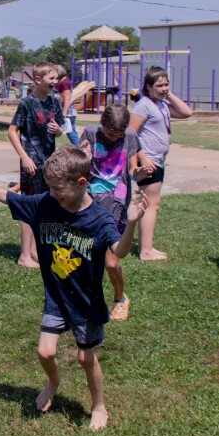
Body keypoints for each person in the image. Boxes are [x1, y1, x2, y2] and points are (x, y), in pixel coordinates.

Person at [0, 148, 147, 432]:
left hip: (86, 302)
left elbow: (121, 251)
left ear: (80, 183)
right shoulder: (45, 204)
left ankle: (99, 405)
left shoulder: (99, 219)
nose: (52, 193)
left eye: (57, 188)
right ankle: (53, 381)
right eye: (49, 188)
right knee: (44, 351)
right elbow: (10, 197)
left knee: (85, 358)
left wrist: (132, 224)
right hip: (56, 295)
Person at [78, 104, 151, 321]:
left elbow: (131, 170)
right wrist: (85, 155)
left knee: (111, 261)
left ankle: (120, 299)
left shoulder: (129, 136)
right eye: (110, 133)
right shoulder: (90, 133)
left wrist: (137, 172)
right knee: (86, 257)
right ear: (102, 125)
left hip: (117, 205)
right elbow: (79, 167)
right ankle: (85, 299)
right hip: (89, 203)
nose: (114, 138)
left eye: (118, 134)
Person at [127, 66, 193, 260]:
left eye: (166, 84)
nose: (164, 88)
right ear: (148, 86)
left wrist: (168, 94)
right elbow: (130, 134)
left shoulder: (162, 104)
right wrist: (143, 158)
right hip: (148, 161)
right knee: (150, 204)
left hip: (157, 161)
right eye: (159, 85)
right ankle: (146, 250)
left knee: (152, 203)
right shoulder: (144, 105)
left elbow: (186, 112)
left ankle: (146, 247)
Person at [8, 62, 64, 269]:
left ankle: (34, 250)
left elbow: (60, 129)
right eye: (51, 78)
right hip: (31, 162)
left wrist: (58, 131)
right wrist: (24, 156)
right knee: (29, 206)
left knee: (45, 206)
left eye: (56, 78)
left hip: (49, 162)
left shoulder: (55, 102)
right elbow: (12, 131)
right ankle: (24, 256)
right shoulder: (27, 103)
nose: (55, 82)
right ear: (38, 80)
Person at [56, 65, 80, 146]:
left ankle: (80, 149)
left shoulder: (65, 82)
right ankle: (80, 148)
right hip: (68, 111)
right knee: (71, 131)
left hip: (68, 111)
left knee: (70, 132)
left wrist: (64, 113)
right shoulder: (63, 82)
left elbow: (67, 98)